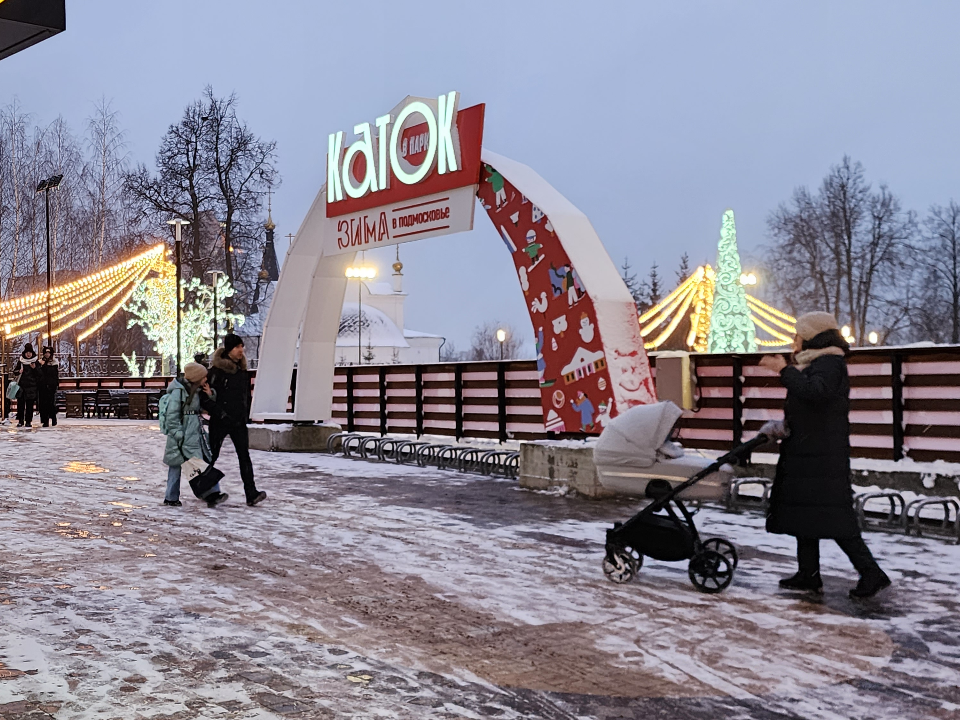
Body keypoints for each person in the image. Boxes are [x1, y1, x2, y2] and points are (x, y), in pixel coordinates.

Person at [758, 311, 890, 600]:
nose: (794, 340)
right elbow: (811, 406)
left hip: (822, 454)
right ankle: (808, 574)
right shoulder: (816, 363)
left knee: (835, 517)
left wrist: (783, 370)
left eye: (798, 334)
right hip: (808, 450)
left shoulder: (829, 363)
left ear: (812, 336)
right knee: (805, 515)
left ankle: (871, 573)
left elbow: (815, 393)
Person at [207, 334, 266, 507]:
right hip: (220, 420)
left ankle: (251, 493)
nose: (241, 350)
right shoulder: (216, 371)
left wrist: (245, 414)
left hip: (238, 422)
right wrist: (220, 414)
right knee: (212, 456)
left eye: (242, 346)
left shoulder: (242, 371)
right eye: (237, 347)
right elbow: (207, 397)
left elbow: (245, 396)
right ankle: (207, 491)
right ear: (228, 350)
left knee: (244, 457)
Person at [161, 362, 228, 508]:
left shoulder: (196, 391)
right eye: (204, 377)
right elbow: (172, 416)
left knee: (201, 463)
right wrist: (178, 434)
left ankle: (212, 494)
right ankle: (171, 497)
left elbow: (205, 406)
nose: (206, 379)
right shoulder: (178, 392)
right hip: (181, 435)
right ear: (196, 378)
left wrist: (210, 394)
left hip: (193, 433)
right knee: (176, 466)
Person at [13, 344, 40, 428]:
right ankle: (20, 421)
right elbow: (15, 372)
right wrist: (19, 371)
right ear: (24, 353)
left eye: (30, 352)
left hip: (31, 387)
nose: (28, 354)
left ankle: (28, 421)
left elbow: (40, 374)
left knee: (29, 405)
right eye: (27, 352)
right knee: (20, 405)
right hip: (21, 387)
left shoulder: (35, 362)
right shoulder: (21, 362)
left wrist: (34, 368)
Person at [38, 346, 59, 427]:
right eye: (46, 353)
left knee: (50, 403)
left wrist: (44, 366)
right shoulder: (40, 362)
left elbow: (53, 373)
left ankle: (53, 418)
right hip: (42, 386)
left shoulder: (54, 362)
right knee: (43, 404)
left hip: (51, 386)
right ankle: (45, 420)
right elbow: (38, 373)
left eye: (48, 353)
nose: (47, 354)